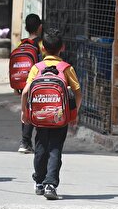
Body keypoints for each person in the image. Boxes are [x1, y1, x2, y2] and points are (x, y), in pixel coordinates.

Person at [22, 30, 81, 200]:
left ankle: (39, 182)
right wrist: (74, 112)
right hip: (60, 117)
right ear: (62, 47)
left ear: (43, 48)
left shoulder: (37, 68)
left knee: (40, 147)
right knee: (55, 149)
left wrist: (24, 112)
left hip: (39, 117)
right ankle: (50, 184)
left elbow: (25, 92)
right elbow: (77, 92)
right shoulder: (67, 68)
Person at [16, 14, 45, 154]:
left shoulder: (21, 44)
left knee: (27, 110)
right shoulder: (42, 44)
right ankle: (31, 142)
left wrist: (17, 86)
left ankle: (25, 142)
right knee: (39, 110)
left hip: (24, 84)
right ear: (40, 27)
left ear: (26, 28)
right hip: (38, 82)